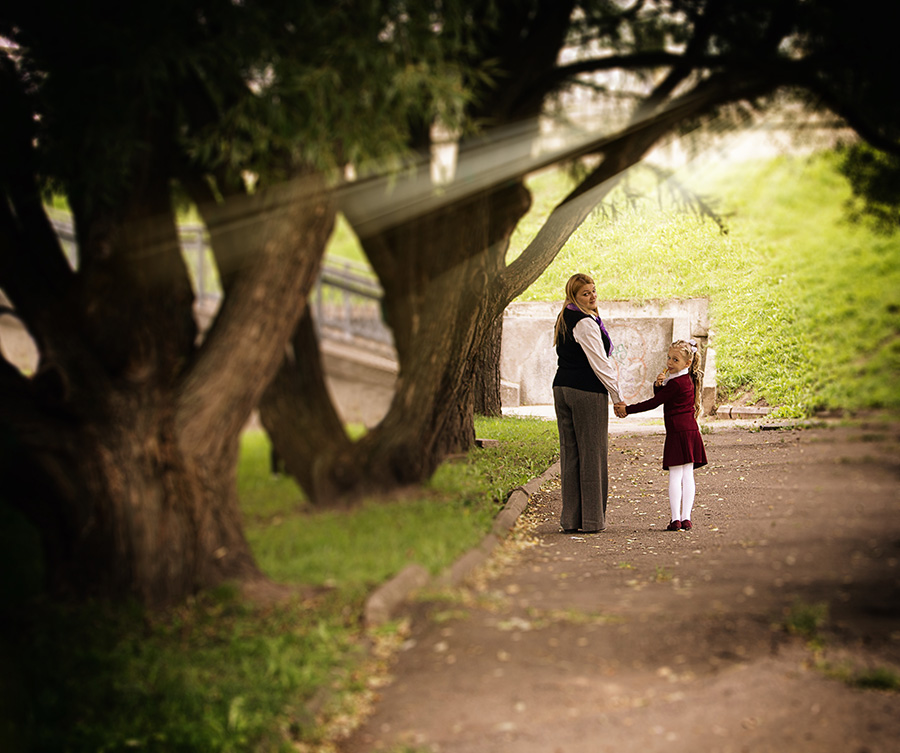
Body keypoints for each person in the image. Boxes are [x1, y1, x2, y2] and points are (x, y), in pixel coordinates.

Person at [552, 273, 625, 534]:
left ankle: (571, 520)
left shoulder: (565, 318)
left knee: (571, 454)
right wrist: (617, 397)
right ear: (574, 297)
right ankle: (592, 521)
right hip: (585, 391)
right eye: (586, 293)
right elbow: (600, 363)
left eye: (594, 291)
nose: (592, 296)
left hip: (561, 388)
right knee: (592, 454)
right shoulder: (584, 322)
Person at [615, 340, 707, 531]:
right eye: (668, 357)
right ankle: (686, 518)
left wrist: (628, 409)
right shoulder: (685, 380)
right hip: (690, 431)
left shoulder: (676, 384)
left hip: (677, 433)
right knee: (687, 475)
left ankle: (675, 519)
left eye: (675, 359)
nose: (670, 362)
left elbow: (654, 403)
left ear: (687, 363)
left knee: (675, 475)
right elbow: (664, 396)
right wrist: (659, 385)